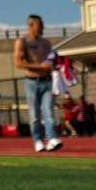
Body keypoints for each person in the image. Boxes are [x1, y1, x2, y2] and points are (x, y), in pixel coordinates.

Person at [13, 14, 59, 152]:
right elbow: (18, 63)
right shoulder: (22, 42)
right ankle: (38, 140)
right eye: (40, 24)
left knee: (49, 111)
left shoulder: (46, 43)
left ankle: (52, 138)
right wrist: (41, 67)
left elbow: (51, 60)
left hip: (47, 80)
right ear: (31, 25)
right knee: (34, 114)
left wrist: (59, 64)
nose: (43, 27)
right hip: (32, 82)